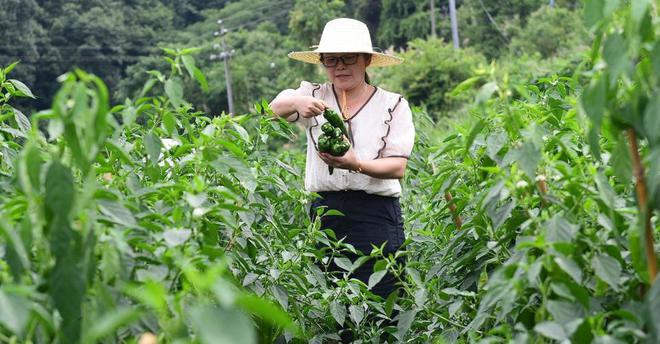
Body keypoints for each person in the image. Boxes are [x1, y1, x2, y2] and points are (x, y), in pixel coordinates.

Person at [269, 18, 415, 301]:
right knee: (331, 306)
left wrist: (355, 163)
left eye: (348, 58)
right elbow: (271, 110)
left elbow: (397, 166)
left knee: (384, 302)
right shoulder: (313, 95)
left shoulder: (393, 105)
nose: (339, 67)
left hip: (377, 214)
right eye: (331, 60)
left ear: (366, 61)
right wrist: (296, 102)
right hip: (326, 214)